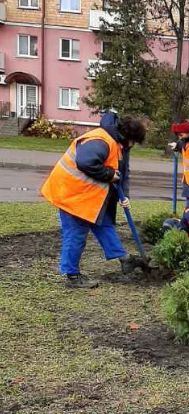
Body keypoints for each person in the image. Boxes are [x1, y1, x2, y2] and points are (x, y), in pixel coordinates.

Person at [40, 111, 148, 289]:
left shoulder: (118, 144)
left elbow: (122, 173)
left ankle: (124, 259)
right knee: (76, 234)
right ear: (128, 137)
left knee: (104, 224)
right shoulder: (102, 141)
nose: (133, 145)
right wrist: (109, 174)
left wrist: (124, 195)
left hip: (89, 196)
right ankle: (72, 275)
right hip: (72, 195)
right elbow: (86, 162)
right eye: (134, 142)